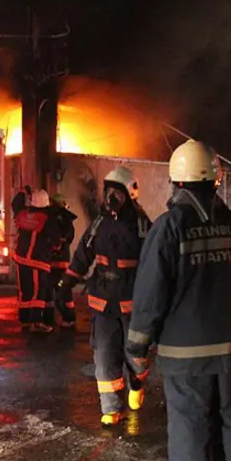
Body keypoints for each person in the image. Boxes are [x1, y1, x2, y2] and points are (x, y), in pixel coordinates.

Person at [124, 140, 231, 461]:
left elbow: (150, 294)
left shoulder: (169, 228)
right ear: (216, 181)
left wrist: (137, 346)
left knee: (190, 421)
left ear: (176, 182)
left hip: (185, 352)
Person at [58, 166, 152, 426]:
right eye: (109, 191)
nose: (111, 197)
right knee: (104, 357)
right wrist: (67, 281)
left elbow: (156, 263)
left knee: (136, 355)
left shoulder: (143, 226)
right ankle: (111, 408)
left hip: (132, 304)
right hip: (103, 303)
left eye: (117, 193)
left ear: (129, 194)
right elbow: (83, 254)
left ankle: (137, 381)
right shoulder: (99, 224)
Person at [13, 188, 61, 332]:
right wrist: (56, 247)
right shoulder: (47, 218)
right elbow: (56, 241)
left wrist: (22, 192)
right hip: (38, 261)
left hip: (21, 260)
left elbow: (15, 204)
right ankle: (36, 322)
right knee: (38, 292)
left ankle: (25, 320)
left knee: (25, 291)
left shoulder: (23, 214)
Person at [46, 193, 78, 328]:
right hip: (63, 262)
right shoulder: (67, 219)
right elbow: (70, 237)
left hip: (48, 262)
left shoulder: (48, 217)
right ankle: (69, 318)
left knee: (47, 291)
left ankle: (48, 320)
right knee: (65, 290)